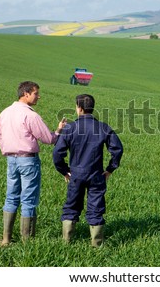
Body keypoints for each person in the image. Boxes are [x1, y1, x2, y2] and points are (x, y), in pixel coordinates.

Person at [0, 81, 66, 245]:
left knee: (11, 197)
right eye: (36, 93)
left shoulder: (4, 113)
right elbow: (48, 139)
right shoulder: (30, 115)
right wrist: (58, 130)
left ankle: (6, 239)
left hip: (11, 159)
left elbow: (0, 137)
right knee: (28, 199)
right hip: (28, 160)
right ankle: (27, 242)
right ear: (26, 94)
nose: (38, 96)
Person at [53, 94, 123, 247]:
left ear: (79, 108)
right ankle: (97, 245)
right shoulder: (103, 127)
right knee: (96, 208)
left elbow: (57, 153)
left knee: (71, 206)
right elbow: (117, 150)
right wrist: (110, 169)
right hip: (96, 174)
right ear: (92, 107)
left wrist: (64, 170)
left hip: (76, 174)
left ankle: (66, 243)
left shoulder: (70, 128)